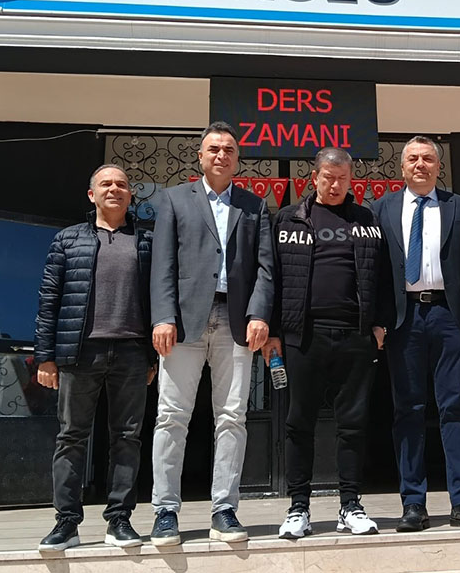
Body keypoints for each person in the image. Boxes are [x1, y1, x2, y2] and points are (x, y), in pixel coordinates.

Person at [149, 121, 275, 545]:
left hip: (236, 322)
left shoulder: (254, 206)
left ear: (237, 159)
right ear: (200, 156)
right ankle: (165, 510)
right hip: (184, 322)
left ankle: (224, 509)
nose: (222, 155)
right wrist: (162, 316)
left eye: (229, 150)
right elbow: (162, 264)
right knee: (171, 415)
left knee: (233, 417)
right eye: (214, 149)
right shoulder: (174, 199)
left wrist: (259, 313)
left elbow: (265, 268)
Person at [373, 136, 460, 532]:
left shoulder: (459, 207)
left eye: (427, 158)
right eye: (413, 158)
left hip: (448, 315)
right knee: (407, 409)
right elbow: (374, 271)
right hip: (403, 318)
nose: (420, 164)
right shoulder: (382, 208)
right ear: (402, 166)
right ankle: (413, 503)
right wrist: (377, 318)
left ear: (438, 166)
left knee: (455, 407)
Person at [34, 164, 154, 551]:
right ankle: (66, 522)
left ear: (130, 195)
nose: (114, 189)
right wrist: (45, 357)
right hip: (80, 353)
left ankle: (119, 519)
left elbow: (158, 300)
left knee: (127, 438)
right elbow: (49, 301)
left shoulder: (147, 242)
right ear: (92, 194)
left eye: (121, 184)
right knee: (71, 437)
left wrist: (152, 356)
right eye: (106, 184)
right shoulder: (68, 240)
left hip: (132, 352)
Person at [268, 147, 386, 539]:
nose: (335, 185)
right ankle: (298, 507)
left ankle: (350, 505)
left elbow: (383, 274)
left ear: (351, 180)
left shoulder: (366, 219)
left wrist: (380, 324)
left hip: (355, 335)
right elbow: (272, 277)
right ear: (314, 177)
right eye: (328, 178)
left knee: (352, 423)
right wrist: (273, 331)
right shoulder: (288, 218)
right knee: (298, 422)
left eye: (342, 179)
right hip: (303, 336)